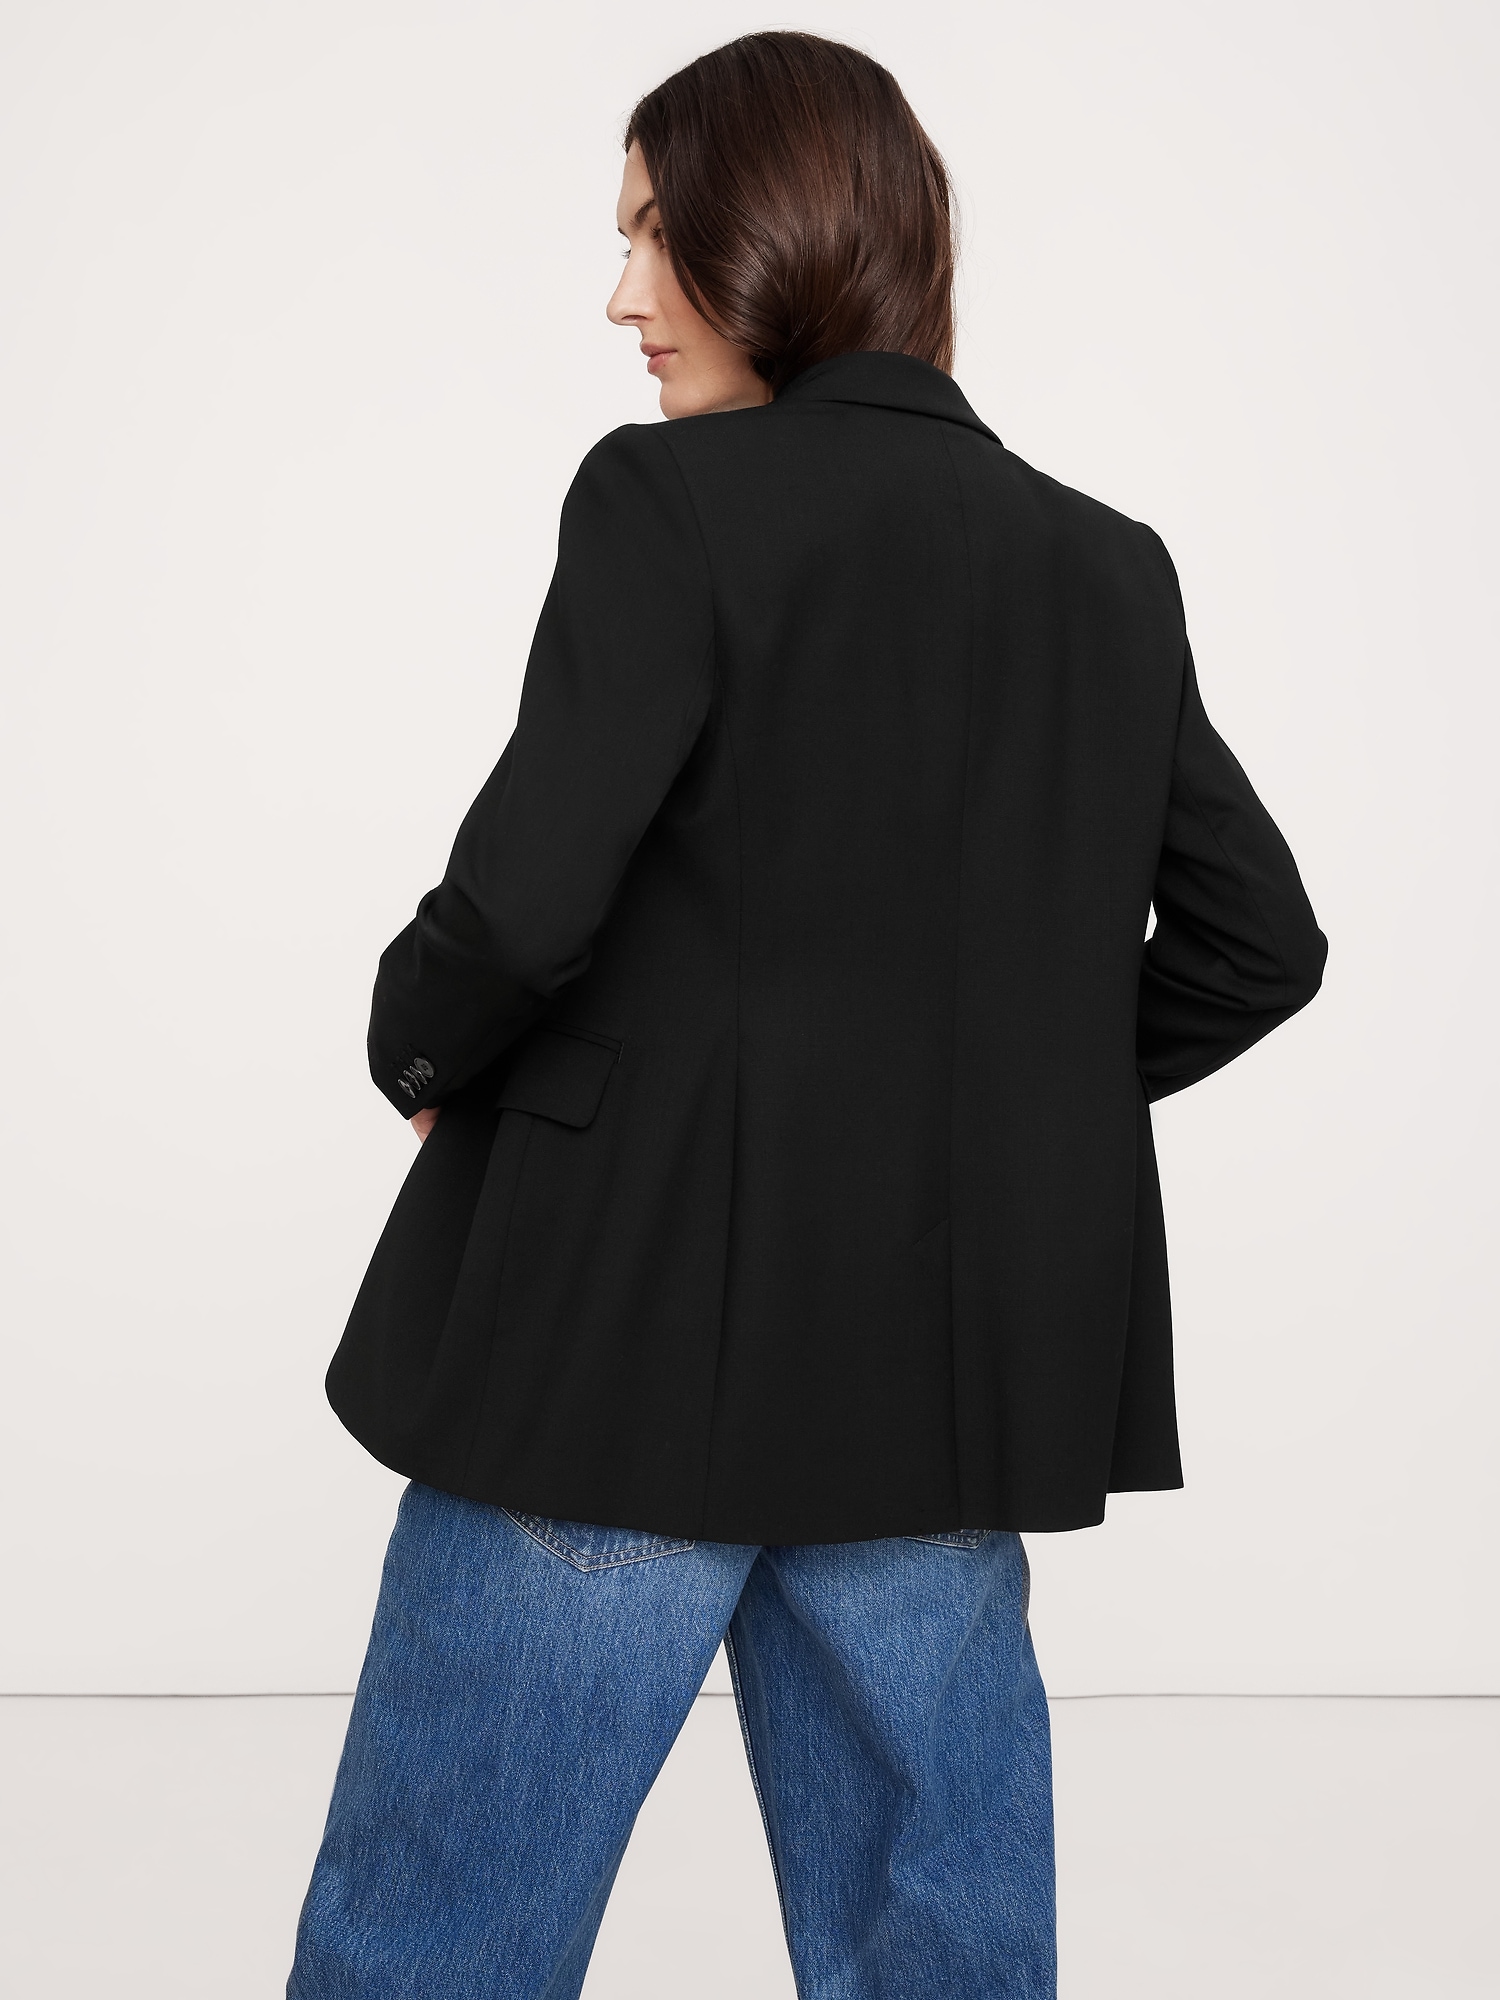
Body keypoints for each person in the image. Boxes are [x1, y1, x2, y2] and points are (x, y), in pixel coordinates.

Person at [287, 30, 1325, 2000]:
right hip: (937, 1380)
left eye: (649, 236)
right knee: (940, 1964)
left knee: (436, 1948)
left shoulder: (671, 501)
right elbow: (1257, 940)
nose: (621, 297)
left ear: (770, 233)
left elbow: (520, 907)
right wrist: (998, 1086)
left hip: (613, 1348)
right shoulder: (1102, 568)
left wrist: (415, 1050)